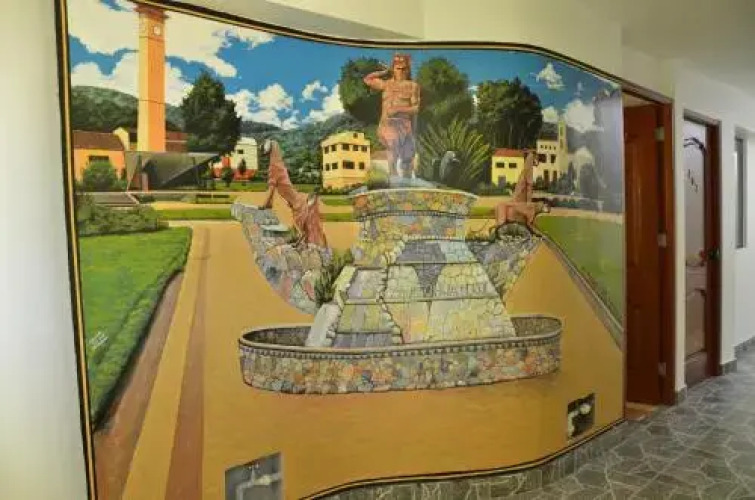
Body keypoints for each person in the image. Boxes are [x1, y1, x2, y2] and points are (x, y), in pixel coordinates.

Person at [363, 53, 421, 178]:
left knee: (407, 158)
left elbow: (416, 108)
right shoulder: (386, 84)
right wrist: (384, 72)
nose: (401, 71)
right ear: (393, 69)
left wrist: (399, 109)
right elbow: (368, 79)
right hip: (388, 124)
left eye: (404, 68)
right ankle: (393, 176)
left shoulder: (413, 86)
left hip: (404, 125)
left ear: (408, 70)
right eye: (398, 68)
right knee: (392, 147)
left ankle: (405, 181)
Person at [261, 139, 327, 248]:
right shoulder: (280, 166)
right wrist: (269, 204)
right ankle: (308, 245)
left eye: (267, 154)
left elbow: (271, 189)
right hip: (297, 199)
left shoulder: (273, 168)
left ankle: (306, 245)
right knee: (308, 227)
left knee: (303, 228)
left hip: (297, 203)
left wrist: (264, 204)